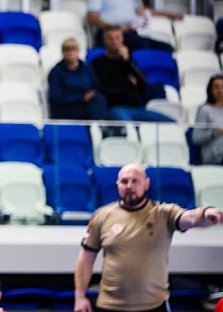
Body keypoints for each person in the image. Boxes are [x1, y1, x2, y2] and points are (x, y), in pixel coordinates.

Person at [74, 163, 223, 312]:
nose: (129, 186)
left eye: (135, 181)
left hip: (154, 306)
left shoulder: (163, 214)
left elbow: (190, 218)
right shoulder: (102, 216)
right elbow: (86, 257)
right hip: (110, 306)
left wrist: (206, 213)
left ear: (146, 184)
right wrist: (80, 297)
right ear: (118, 184)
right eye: (124, 181)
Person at [91, 27, 172, 122]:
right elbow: (106, 87)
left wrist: (127, 60)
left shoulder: (128, 61)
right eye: (110, 38)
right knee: (127, 124)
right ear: (104, 41)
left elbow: (143, 81)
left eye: (117, 38)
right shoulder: (97, 63)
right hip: (116, 108)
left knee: (170, 123)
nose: (114, 42)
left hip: (137, 108)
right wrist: (128, 82)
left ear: (122, 39)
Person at [47, 38, 107, 120]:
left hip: (87, 105)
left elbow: (95, 87)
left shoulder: (87, 68)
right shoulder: (56, 72)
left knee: (99, 99)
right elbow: (56, 97)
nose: (70, 53)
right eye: (67, 50)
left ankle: (98, 124)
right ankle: (97, 125)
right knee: (95, 108)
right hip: (66, 108)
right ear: (62, 53)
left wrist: (90, 95)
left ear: (78, 51)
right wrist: (81, 97)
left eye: (73, 50)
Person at [192, 74, 223, 165]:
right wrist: (212, 133)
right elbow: (196, 138)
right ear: (210, 90)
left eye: (222, 87)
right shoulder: (205, 110)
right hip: (214, 155)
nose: (220, 91)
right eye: (216, 87)